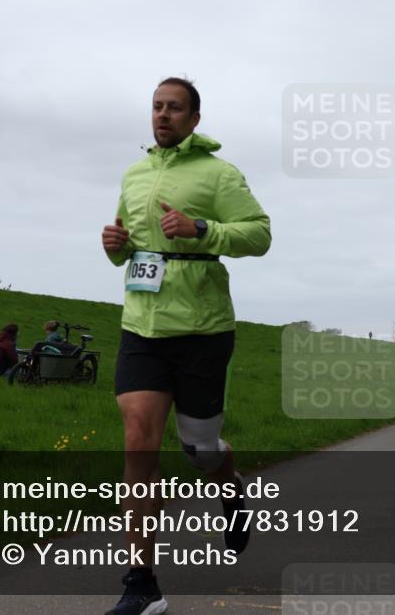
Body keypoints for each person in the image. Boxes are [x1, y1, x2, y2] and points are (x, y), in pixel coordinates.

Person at [101, 77, 271, 615]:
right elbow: (127, 246)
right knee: (137, 441)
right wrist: (114, 246)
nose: (163, 115)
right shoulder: (134, 174)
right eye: (157, 106)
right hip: (141, 327)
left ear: (194, 119)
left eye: (174, 108)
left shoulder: (219, 174)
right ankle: (142, 583)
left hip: (202, 330)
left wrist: (201, 228)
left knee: (199, 449)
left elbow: (259, 234)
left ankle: (230, 486)